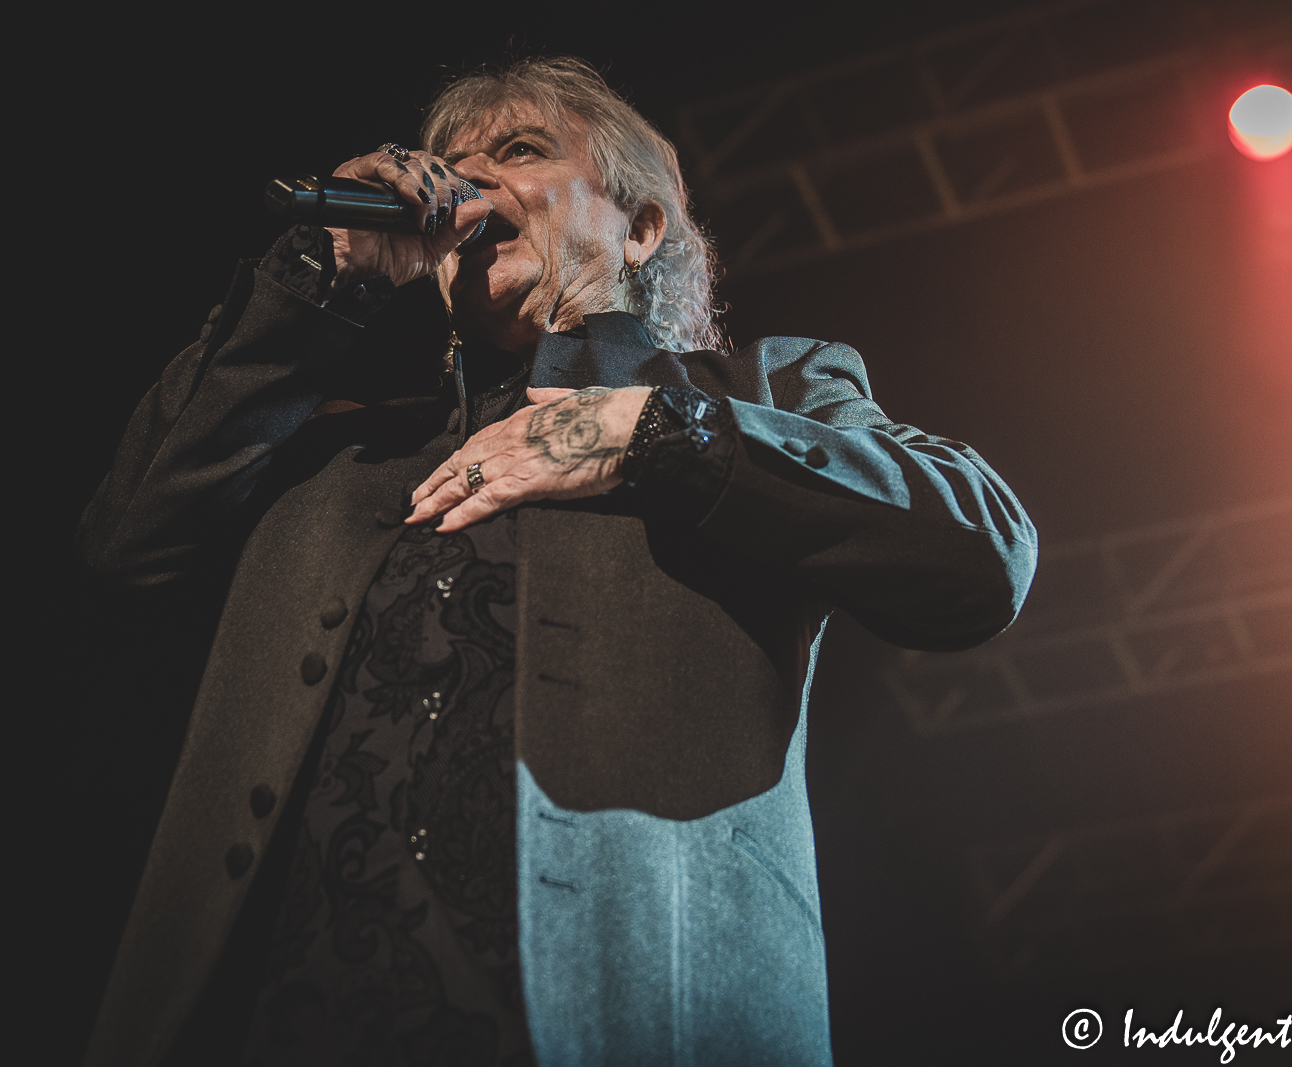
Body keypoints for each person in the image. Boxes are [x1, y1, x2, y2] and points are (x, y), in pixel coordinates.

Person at [81, 56, 1036, 1067]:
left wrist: (658, 434)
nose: (463, 181)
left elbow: (980, 550)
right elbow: (128, 535)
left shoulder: (767, 386)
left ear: (639, 227)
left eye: (520, 150)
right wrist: (326, 272)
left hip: (632, 1006)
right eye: (447, 161)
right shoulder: (335, 446)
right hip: (294, 1010)